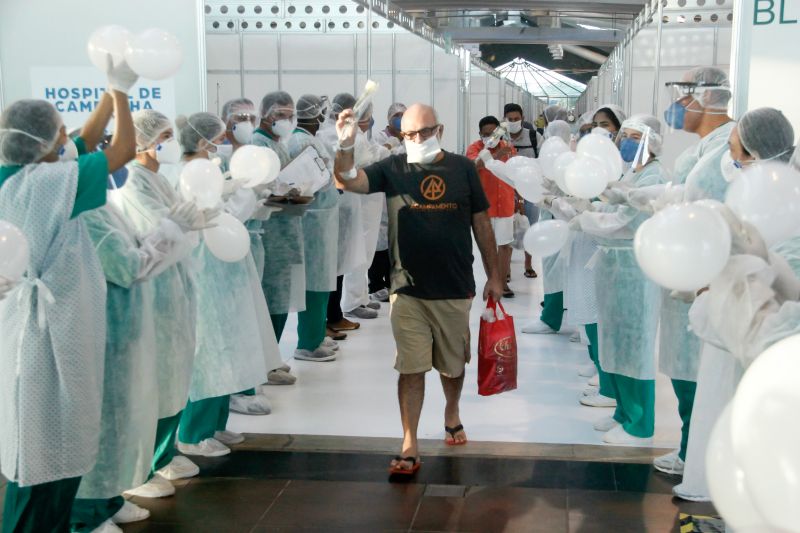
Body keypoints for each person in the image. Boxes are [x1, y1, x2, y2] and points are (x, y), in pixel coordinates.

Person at [0, 60, 137, 532]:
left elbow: (80, 142)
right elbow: (121, 149)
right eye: (61, 132)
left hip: (35, 332)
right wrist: (121, 97)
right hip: (45, 339)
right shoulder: (51, 184)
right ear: (45, 143)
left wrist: (109, 89)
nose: (69, 138)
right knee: (40, 460)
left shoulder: (20, 176)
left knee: (47, 453)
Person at [332, 103, 503, 474]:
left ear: (438, 130)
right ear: (401, 135)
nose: (417, 139)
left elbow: (481, 222)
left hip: (455, 285)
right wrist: (345, 143)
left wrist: (495, 274)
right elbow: (347, 179)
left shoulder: (462, 168)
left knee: (452, 364)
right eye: (410, 134)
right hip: (406, 287)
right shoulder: (393, 168)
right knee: (411, 368)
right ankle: (409, 440)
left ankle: (452, 410)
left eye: (424, 132)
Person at [71, 158, 203, 533]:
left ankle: (108, 499)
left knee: (119, 418)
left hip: (123, 328)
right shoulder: (85, 215)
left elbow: (137, 248)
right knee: (100, 423)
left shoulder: (105, 205)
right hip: (101, 330)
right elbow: (128, 266)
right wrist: (172, 230)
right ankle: (85, 513)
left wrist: (170, 232)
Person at [172, 112, 283, 458]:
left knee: (230, 348)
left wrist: (249, 195)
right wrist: (246, 193)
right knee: (210, 353)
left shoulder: (212, 170)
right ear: (203, 141)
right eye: (216, 139)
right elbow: (218, 218)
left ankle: (215, 424)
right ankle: (193, 433)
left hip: (227, 271)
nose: (222, 144)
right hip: (206, 272)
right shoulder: (190, 174)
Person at [116, 110, 202, 499]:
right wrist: (181, 224)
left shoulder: (157, 177)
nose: (171, 141)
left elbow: (178, 224)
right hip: (154, 291)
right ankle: (143, 466)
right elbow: (157, 232)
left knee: (175, 375)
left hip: (176, 285)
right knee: (157, 380)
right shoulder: (133, 181)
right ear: (143, 140)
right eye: (165, 134)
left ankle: (165, 453)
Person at [571, 115, 667, 443]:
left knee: (633, 348)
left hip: (634, 271)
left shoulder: (654, 176)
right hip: (615, 267)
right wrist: (590, 208)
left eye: (632, 136)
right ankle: (623, 413)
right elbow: (613, 211)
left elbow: (626, 223)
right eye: (623, 135)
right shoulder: (634, 172)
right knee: (615, 343)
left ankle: (640, 425)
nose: (623, 141)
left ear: (650, 141)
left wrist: (584, 218)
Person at [287, 95, 341, 362]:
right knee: (314, 283)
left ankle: (316, 335)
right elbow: (311, 181)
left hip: (322, 219)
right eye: (323, 112)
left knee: (321, 282)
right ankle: (308, 343)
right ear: (317, 114)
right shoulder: (301, 141)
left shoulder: (307, 139)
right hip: (313, 221)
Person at [252, 91, 308, 342]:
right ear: (265, 115)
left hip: (285, 228)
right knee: (271, 295)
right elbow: (261, 192)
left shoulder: (276, 144)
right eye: (279, 115)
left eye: (290, 115)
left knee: (281, 295)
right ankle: (267, 362)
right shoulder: (258, 145)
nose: (286, 120)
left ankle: (272, 359)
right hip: (270, 232)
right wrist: (285, 193)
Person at [342, 102, 392, 316]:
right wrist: (386, 150)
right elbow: (365, 160)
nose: (371, 119)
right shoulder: (354, 138)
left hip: (369, 202)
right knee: (359, 254)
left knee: (366, 254)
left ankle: (361, 297)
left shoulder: (362, 137)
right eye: (369, 116)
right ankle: (353, 303)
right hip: (361, 203)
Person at [466, 115, 517, 297]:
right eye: (485, 134)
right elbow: (474, 167)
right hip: (484, 208)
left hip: (506, 205)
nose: (490, 137)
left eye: (493, 133)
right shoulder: (475, 148)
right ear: (480, 134)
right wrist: (494, 155)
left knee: (505, 246)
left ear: (500, 132)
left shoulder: (508, 148)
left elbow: (516, 173)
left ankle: (502, 283)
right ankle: (492, 280)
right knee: (488, 247)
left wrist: (519, 199)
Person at [503, 103, 540, 279]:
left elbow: (543, 161)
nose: (513, 122)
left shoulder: (533, 137)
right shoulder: (500, 139)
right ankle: (506, 268)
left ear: (522, 119)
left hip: (530, 190)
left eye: (516, 119)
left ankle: (528, 264)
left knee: (530, 227)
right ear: (504, 120)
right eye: (510, 119)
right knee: (506, 229)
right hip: (506, 191)